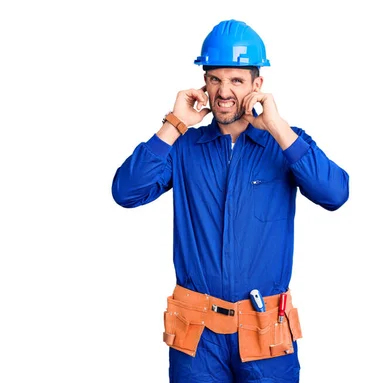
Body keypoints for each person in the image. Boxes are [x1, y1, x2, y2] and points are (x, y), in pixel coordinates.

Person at [111, 19, 349, 383]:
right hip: (197, 338)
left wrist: (277, 127)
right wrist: (174, 124)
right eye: (215, 79)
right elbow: (126, 192)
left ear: (258, 86)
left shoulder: (284, 143)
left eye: (236, 81)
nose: (224, 91)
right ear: (204, 83)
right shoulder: (184, 148)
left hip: (266, 336)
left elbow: (335, 194)